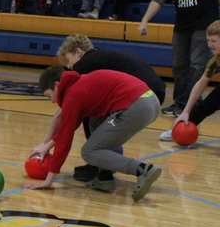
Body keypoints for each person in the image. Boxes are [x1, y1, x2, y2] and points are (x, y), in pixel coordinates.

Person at [27, 66, 162, 202]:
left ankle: (143, 169)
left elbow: (65, 139)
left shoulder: (72, 96)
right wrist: (46, 146)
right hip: (150, 100)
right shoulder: (78, 84)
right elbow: (68, 128)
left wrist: (49, 180)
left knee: (89, 152)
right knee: (94, 122)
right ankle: (105, 177)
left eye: (49, 96)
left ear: (57, 85)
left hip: (137, 107)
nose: (52, 101)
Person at [56, 34, 166, 183]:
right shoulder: (101, 57)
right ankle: (104, 172)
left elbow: (67, 110)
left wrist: (47, 143)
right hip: (153, 93)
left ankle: (97, 164)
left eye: (68, 61)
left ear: (79, 52)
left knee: (88, 117)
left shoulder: (84, 64)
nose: (69, 67)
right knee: (95, 117)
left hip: (141, 97)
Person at [138, 0, 220, 114]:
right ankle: (180, 103)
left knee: (198, 65)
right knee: (179, 67)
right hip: (182, 26)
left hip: (204, 25)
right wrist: (144, 20)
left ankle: (187, 103)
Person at [164, 20, 220, 141]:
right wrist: (186, 111)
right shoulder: (215, 59)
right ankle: (183, 126)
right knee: (205, 106)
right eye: (208, 41)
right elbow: (201, 83)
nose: (210, 45)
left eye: (214, 41)